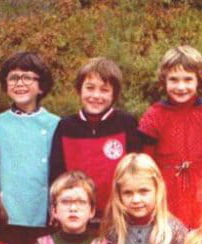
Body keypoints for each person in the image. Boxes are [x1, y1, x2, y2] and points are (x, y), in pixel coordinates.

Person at [138, 45, 202, 227]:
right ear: (164, 80)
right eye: (174, 80)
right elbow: (145, 163)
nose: (181, 87)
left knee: (199, 234)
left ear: (198, 80)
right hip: (166, 191)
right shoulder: (155, 115)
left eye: (188, 79)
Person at [0, 51, 60, 244]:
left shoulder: (56, 124)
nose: (19, 83)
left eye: (27, 77)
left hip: (44, 216)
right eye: (13, 78)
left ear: (41, 86)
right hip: (7, 216)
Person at [48, 57, 141, 216]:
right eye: (90, 88)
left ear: (114, 94)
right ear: (79, 90)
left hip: (118, 216)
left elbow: (136, 172)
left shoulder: (127, 123)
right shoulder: (65, 127)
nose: (96, 95)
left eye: (104, 90)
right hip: (77, 216)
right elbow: (56, 175)